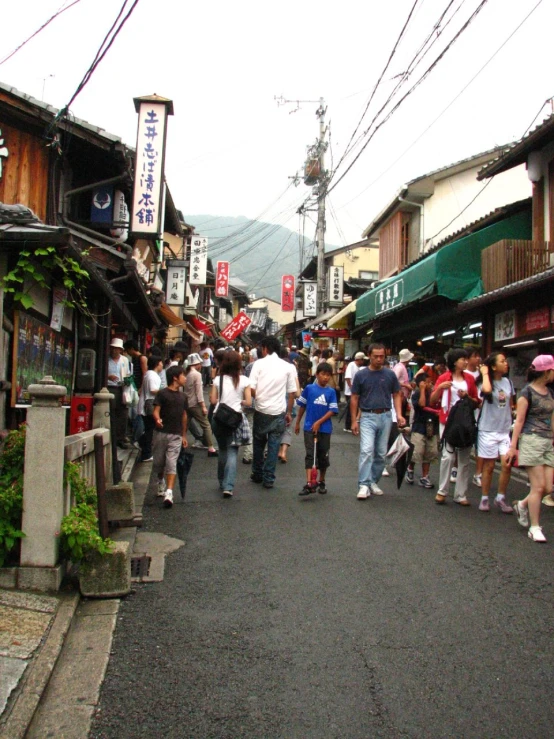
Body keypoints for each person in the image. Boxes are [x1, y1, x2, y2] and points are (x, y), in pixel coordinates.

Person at [507, 354, 554, 543]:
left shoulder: (551, 392)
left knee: (548, 488)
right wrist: (513, 446)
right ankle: (535, 527)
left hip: (548, 442)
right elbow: (519, 421)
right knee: (538, 487)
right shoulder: (526, 392)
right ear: (547, 371)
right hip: (531, 439)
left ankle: (522, 505)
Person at [350, 343, 405, 499]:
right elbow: (354, 398)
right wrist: (354, 420)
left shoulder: (390, 374)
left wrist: (399, 415)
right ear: (369, 356)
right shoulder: (361, 375)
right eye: (376, 356)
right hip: (367, 416)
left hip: (386, 415)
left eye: (382, 356)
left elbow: (396, 394)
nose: (379, 359)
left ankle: (373, 481)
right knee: (367, 450)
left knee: (381, 453)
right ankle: (363, 484)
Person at [430, 348, 480, 506]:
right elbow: (432, 400)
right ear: (454, 362)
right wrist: (440, 388)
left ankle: (460, 494)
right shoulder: (444, 378)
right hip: (447, 421)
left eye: (466, 359)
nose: (466, 361)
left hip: (465, 421)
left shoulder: (470, 379)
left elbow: (477, 401)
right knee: (448, 456)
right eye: (462, 359)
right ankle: (442, 490)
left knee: (464, 458)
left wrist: (467, 397)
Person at [249, 336, 297, 489]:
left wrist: (260, 398)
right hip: (279, 411)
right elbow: (292, 393)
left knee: (258, 442)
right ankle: (269, 478)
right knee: (274, 445)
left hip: (261, 410)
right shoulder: (288, 366)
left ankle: (257, 474)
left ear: (265, 349)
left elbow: (251, 388)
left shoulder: (258, 364)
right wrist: (289, 412)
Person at [476, 352, 514, 513]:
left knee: (507, 464)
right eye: (502, 361)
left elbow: (511, 403)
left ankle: (500, 497)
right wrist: (485, 373)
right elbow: (486, 390)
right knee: (489, 465)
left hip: (504, 429)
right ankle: (484, 498)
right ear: (493, 366)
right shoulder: (484, 382)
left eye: (506, 361)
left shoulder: (508, 382)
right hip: (488, 429)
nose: (506, 364)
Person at [210, 350, 252, 498]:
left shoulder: (217, 380)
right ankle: (228, 486)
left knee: (222, 449)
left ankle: (221, 481)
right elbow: (248, 402)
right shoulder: (245, 380)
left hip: (218, 418)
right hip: (234, 420)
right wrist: (239, 401)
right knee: (232, 451)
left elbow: (213, 401)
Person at [295, 362, 338, 495]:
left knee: (323, 455)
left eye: (328, 375)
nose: (325, 377)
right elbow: (302, 405)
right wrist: (297, 423)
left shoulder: (331, 392)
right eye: (323, 374)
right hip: (309, 427)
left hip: (325, 429)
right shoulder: (309, 388)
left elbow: (332, 410)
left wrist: (319, 422)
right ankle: (309, 483)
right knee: (310, 455)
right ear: (317, 374)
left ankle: (321, 480)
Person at [150, 365, 188, 509]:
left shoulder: (183, 397)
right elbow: (156, 411)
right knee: (159, 462)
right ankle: (161, 482)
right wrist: (157, 419)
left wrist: (184, 434)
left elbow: (184, 416)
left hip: (176, 434)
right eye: (183, 375)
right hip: (161, 432)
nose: (185, 378)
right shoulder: (162, 394)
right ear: (175, 378)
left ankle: (169, 492)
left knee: (171, 462)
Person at [405, 370, 439, 489]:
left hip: (431, 427)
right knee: (417, 451)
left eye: (430, 382)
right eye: (427, 382)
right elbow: (422, 405)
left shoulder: (434, 394)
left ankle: (425, 476)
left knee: (430, 452)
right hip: (419, 426)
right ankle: (410, 469)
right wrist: (423, 390)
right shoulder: (417, 394)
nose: (430, 384)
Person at [184, 353, 218, 457]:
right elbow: (199, 392)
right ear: (197, 364)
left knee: (185, 424)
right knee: (206, 425)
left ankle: (180, 443)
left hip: (187, 403)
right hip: (195, 403)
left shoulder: (187, 373)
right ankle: (211, 448)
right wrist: (203, 406)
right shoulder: (197, 374)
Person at [137, 355, 163, 462]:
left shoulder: (149, 374)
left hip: (147, 402)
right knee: (150, 429)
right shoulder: (152, 375)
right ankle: (146, 453)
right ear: (157, 364)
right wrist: (164, 391)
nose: (162, 365)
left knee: (149, 428)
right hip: (150, 403)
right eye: (161, 363)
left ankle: (141, 442)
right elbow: (153, 390)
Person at [107, 337, 131, 449]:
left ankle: (120, 438)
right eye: (113, 348)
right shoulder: (106, 359)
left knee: (123, 414)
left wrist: (126, 382)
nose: (114, 351)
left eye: (116, 349)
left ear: (120, 350)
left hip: (122, 389)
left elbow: (129, 375)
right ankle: (111, 437)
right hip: (110, 387)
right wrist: (108, 376)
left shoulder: (125, 360)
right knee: (111, 412)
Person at [344, 352, 366, 432]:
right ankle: (348, 426)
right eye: (362, 360)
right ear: (359, 360)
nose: (363, 362)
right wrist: (351, 387)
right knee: (351, 409)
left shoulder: (357, 367)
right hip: (350, 392)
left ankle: (350, 425)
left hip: (355, 392)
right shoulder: (351, 365)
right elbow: (347, 377)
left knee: (354, 408)